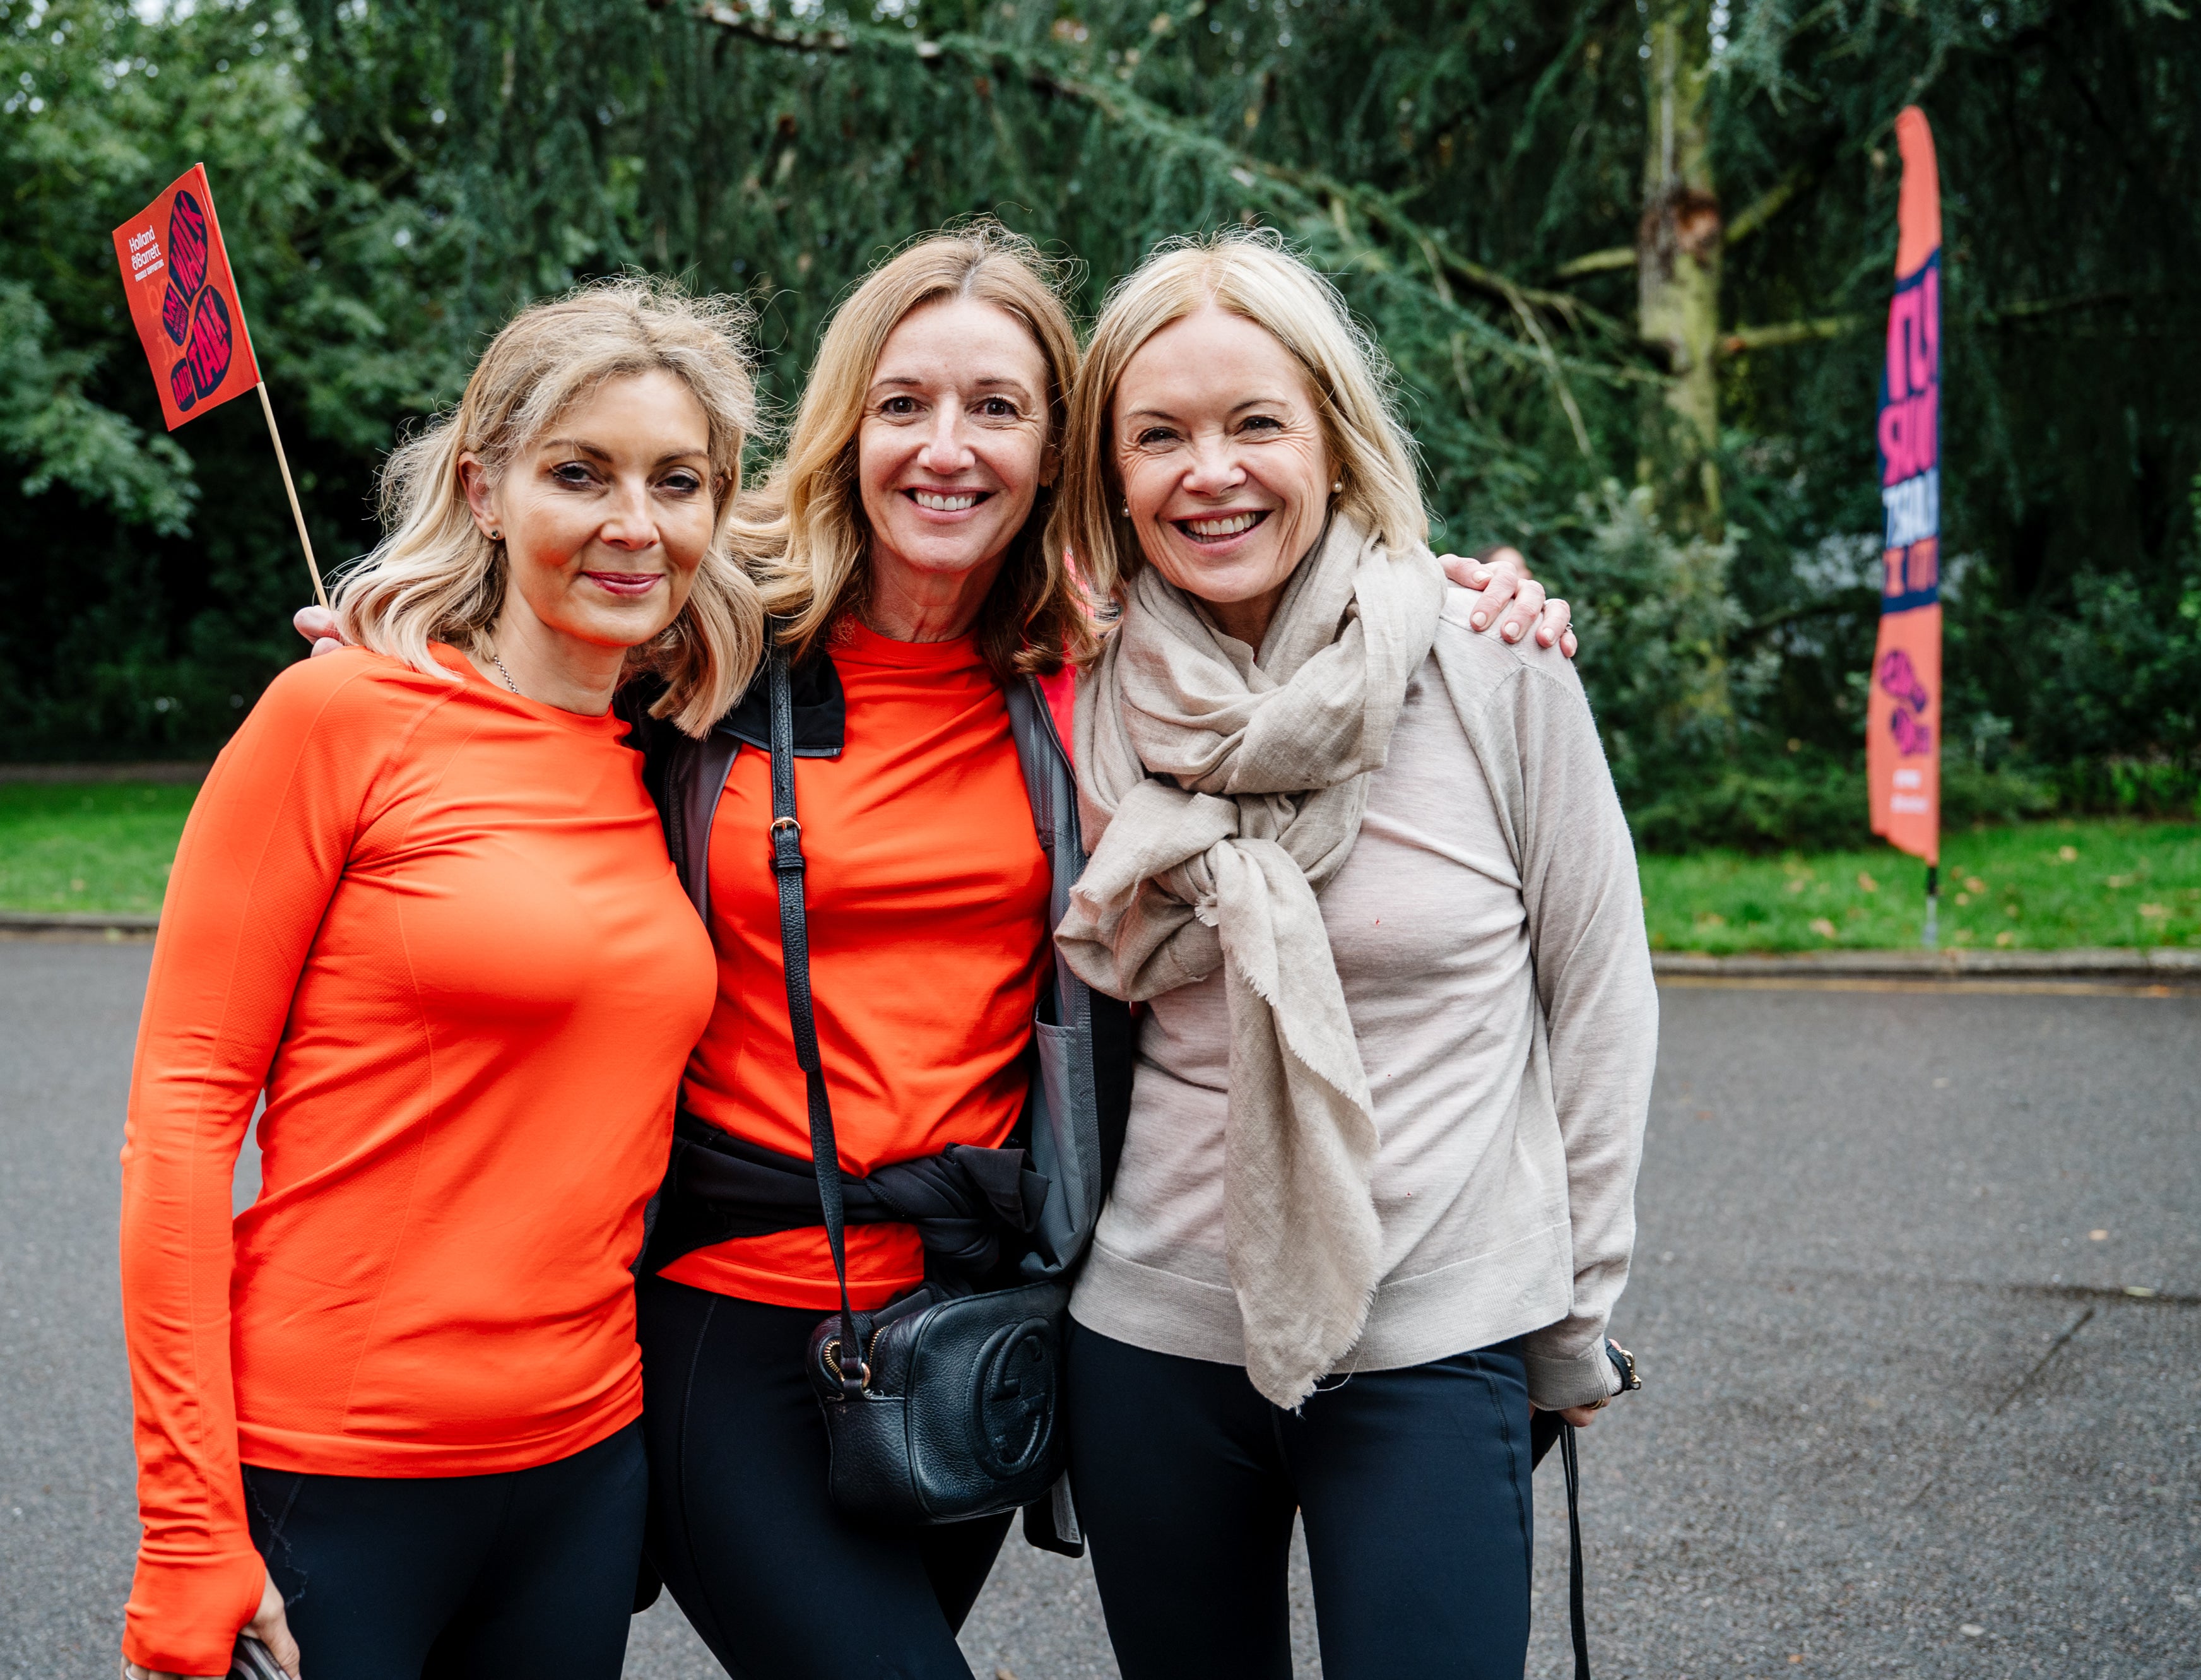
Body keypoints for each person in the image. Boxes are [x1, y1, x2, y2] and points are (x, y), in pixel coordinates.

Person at [290, 224, 1574, 1680]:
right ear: (847, 424)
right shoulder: (713, 648)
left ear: (1052, 451)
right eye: (903, 403)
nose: (944, 448)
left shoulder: (1097, 672)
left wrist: (1465, 596)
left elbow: (1304, 628)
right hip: (736, 1311)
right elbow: (535, 635)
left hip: (969, 1324)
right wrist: (396, 642)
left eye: (997, 408)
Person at [116, 279, 763, 1680]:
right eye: (577, 472)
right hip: (332, 1464)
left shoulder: (670, 761)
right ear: (483, 486)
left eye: (677, 480)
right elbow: (180, 1114)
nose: (631, 524)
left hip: (582, 1467)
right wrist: (185, 1524)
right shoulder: (338, 711)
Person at [1050, 229, 1656, 1680]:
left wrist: (1575, 1320)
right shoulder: (1072, 688)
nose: (1212, 472)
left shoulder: (1485, 660)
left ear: (1331, 435)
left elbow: (1599, 998)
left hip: (1433, 1339)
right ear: (1110, 476)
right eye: (1160, 436)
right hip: (1149, 1341)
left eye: (1255, 422)